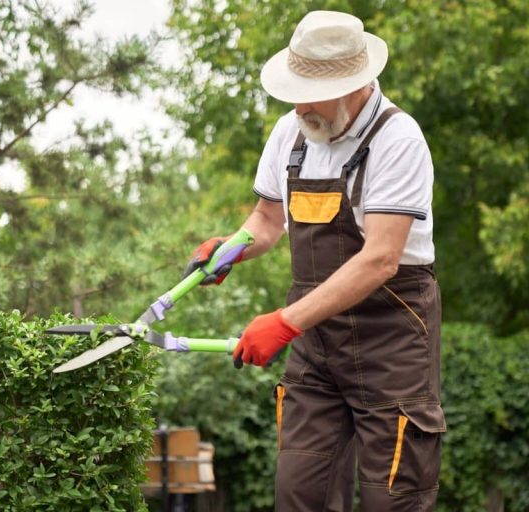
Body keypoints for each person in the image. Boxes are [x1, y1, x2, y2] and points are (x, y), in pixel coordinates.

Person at [183, 10, 445, 511]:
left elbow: (381, 260)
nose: (300, 104)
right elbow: (265, 220)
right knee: (299, 494)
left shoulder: (398, 140)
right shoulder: (291, 131)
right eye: (295, 90)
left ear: (355, 84)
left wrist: (283, 323)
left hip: (392, 341)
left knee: (395, 499)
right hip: (317, 347)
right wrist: (230, 249)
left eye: (311, 92)